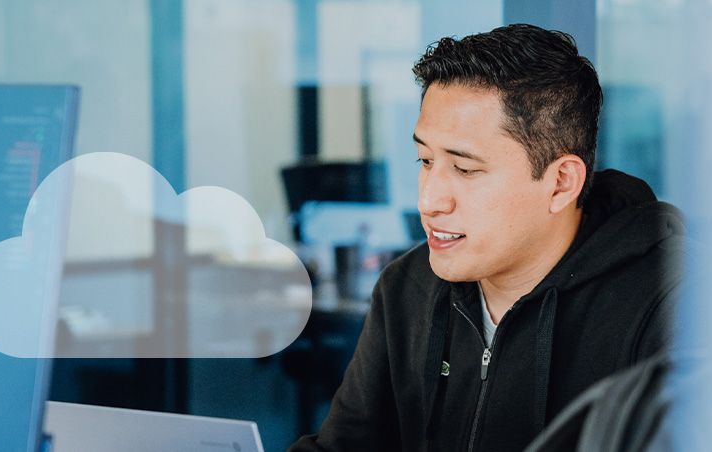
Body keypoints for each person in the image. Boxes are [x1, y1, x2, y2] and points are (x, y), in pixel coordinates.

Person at [289, 23, 684, 451]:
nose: (430, 200)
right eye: (425, 160)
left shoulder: (676, 303)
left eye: (465, 169)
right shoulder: (407, 289)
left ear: (560, 183)